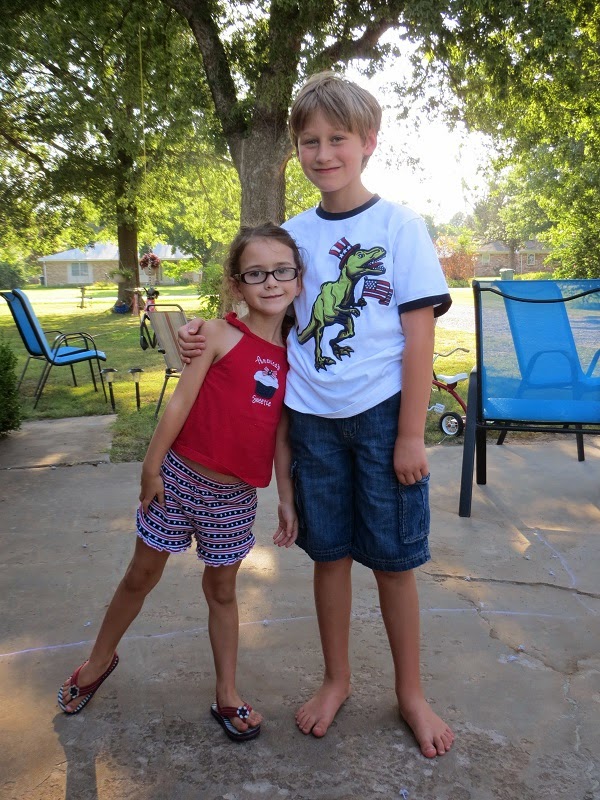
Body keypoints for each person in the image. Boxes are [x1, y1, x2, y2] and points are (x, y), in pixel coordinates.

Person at [178, 72, 455, 758]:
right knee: (328, 556)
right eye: (310, 141)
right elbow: (261, 304)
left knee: (393, 562)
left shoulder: (399, 227)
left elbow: (419, 335)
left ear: (369, 142)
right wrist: (201, 335)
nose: (324, 153)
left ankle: (411, 693)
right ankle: (337, 679)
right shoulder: (295, 236)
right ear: (296, 149)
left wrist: (411, 434)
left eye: (338, 139)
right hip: (310, 422)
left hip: (383, 418)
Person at [57, 223, 302, 743]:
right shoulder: (215, 334)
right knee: (140, 575)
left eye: (283, 271)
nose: (271, 282)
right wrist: (151, 467)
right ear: (236, 283)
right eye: (256, 273)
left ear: (299, 280)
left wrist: (286, 497)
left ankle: (227, 693)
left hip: (235, 497)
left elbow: (283, 433)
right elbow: (180, 402)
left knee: (222, 590)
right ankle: (98, 660)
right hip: (178, 479)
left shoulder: (296, 357)